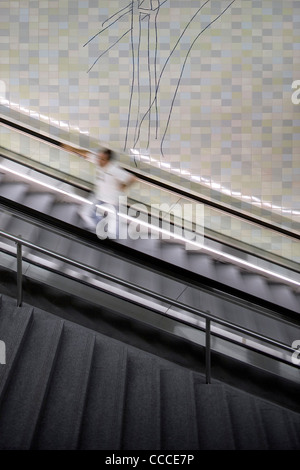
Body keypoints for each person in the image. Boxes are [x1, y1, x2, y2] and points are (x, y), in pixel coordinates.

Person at [61, 143, 136, 238]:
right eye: (99, 158)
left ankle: (110, 237)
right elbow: (87, 154)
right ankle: (94, 229)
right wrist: (72, 149)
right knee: (84, 213)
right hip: (99, 195)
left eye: (102, 159)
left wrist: (124, 185)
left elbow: (133, 178)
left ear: (109, 161)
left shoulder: (115, 170)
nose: (99, 161)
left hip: (113, 200)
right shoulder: (99, 161)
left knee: (114, 226)